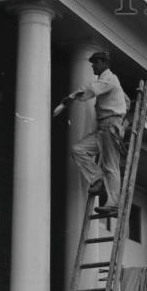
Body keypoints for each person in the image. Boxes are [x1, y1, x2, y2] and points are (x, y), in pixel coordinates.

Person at [53, 51, 130, 218]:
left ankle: (114, 204)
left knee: (110, 165)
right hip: (104, 128)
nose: (93, 66)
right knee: (78, 150)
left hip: (110, 126)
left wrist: (70, 97)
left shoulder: (109, 78)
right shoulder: (108, 82)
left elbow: (91, 89)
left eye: (95, 63)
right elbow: (127, 101)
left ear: (103, 63)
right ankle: (97, 179)